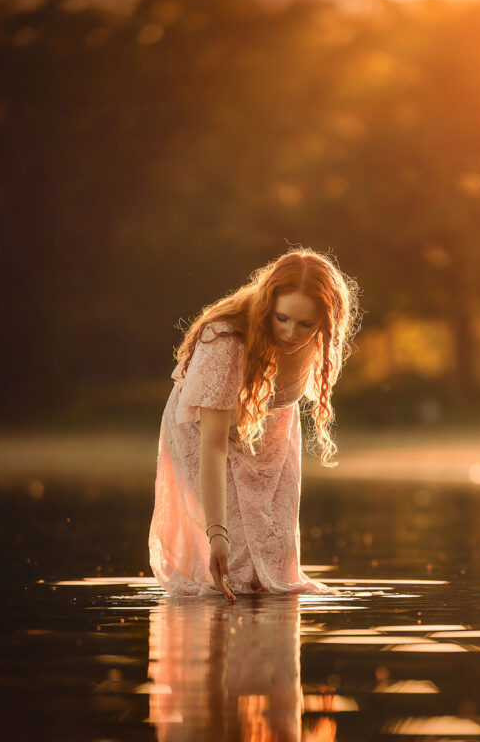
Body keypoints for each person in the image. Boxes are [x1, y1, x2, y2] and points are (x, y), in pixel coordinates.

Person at [148, 248, 360, 601]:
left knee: (274, 557)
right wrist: (216, 533)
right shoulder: (225, 339)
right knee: (234, 560)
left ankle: (267, 644)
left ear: (324, 322)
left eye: (306, 324)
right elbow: (213, 446)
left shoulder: (317, 341)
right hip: (203, 431)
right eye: (282, 319)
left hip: (272, 427)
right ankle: (220, 640)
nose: (292, 333)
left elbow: (281, 397)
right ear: (267, 307)